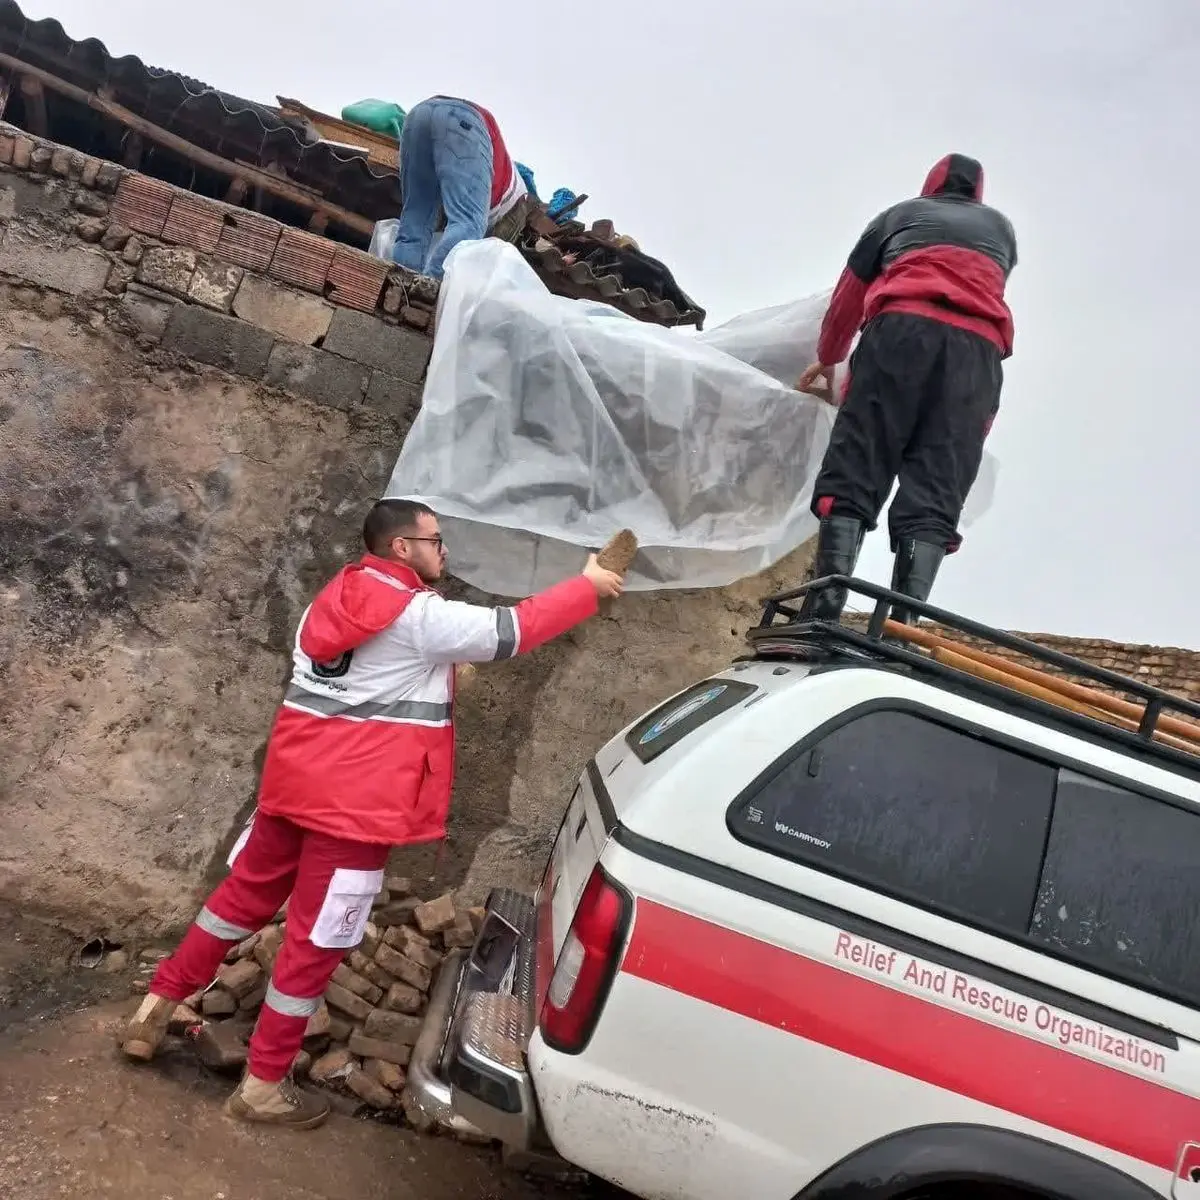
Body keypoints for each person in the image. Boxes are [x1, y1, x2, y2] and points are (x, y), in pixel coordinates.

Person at [119, 499, 624, 1129]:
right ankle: (264, 1086)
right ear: (401, 548)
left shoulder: (330, 600)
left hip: (291, 789)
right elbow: (511, 631)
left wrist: (437, 679)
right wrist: (589, 586)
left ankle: (154, 1010)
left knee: (235, 902)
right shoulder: (419, 614)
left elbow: (363, 684)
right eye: (435, 540)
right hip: (353, 810)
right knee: (315, 943)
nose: (445, 551)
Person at [795, 153, 1017, 624]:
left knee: (860, 457)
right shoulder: (1001, 231)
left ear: (931, 183)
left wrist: (831, 355)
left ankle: (825, 608)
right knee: (939, 481)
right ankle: (903, 627)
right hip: (978, 356)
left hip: (900, 333)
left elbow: (848, 297)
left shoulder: (898, 216)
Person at [391, 96, 531, 280]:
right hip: (464, 119)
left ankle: (399, 283)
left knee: (415, 219)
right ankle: (428, 289)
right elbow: (483, 252)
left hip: (419, 115)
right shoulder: (517, 206)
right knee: (468, 224)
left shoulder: (496, 174)